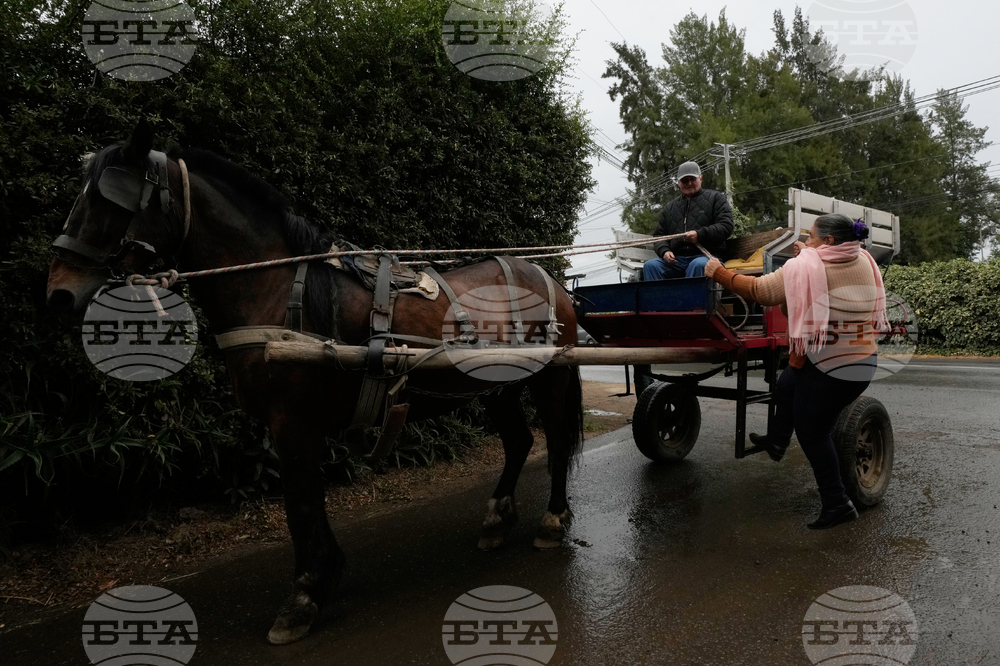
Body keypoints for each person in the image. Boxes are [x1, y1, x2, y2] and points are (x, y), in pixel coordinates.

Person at [704, 213, 887, 530]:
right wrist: (808, 257)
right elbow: (825, 273)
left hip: (833, 367)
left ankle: (837, 503)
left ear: (828, 242)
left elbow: (761, 291)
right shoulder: (863, 258)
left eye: (812, 237)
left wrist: (719, 273)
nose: (808, 241)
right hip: (862, 359)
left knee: (814, 433)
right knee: (787, 381)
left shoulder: (805, 267)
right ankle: (776, 441)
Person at [643, 161, 734, 280]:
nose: (689, 183)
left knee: (698, 265)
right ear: (679, 183)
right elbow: (659, 236)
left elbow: (726, 226)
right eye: (685, 181)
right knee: (651, 266)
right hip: (677, 260)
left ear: (700, 179)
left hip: (707, 256)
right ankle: (657, 299)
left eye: (693, 179)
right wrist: (664, 251)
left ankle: (692, 299)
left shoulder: (716, 198)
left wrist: (699, 235)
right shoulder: (670, 208)